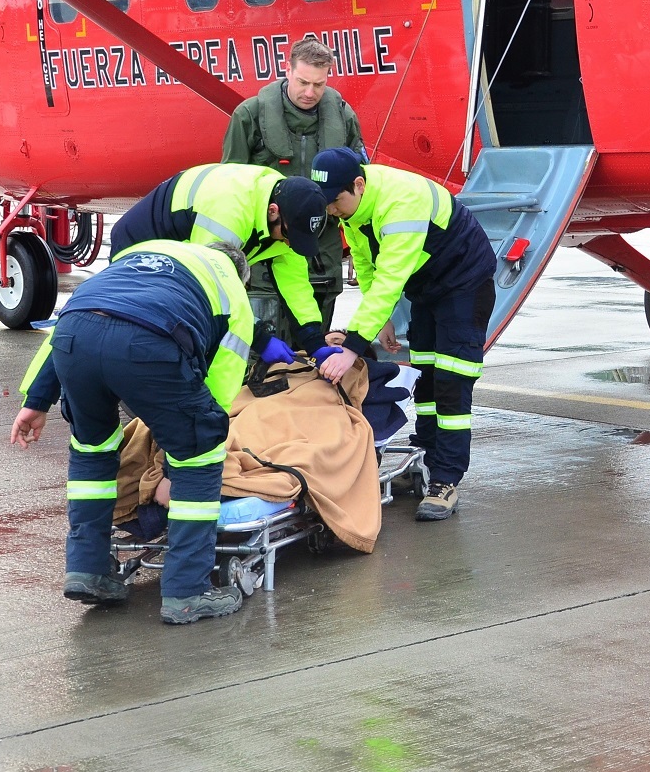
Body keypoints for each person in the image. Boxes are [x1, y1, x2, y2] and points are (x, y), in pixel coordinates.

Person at [8, 238, 262, 624]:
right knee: (202, 452)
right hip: (148, 343)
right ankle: (188, 592)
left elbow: (72, 323)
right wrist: (175, 471)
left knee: (92, 449)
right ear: (241, 276)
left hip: (75, 335)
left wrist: (36, 401)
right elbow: (217, 398)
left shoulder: (150, 251)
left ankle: (87, 569)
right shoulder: (232, 295)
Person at [310, 148, 496, 521]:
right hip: (426, 285)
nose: (332, 211)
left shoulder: (401, 202)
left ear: (358, 185)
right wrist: (384, 319)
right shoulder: (354, 207)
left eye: (335, 203)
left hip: (464, 282)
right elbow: (365, 261)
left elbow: (391, 277)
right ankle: (427, 455)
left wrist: (353, 346)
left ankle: (446, 479)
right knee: (425, 375)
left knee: (452, 379)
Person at [108, 163, 333, 360]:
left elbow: (295, 286)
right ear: (273, 212)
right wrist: (260, 339)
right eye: (286, 236)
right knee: (162, 332)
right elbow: (213, 287)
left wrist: (313, 339)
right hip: (141, 251)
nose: (288, 244)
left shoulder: (288, 214)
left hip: (189, 255)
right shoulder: (228, 216)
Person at [221, 38, 364, 330]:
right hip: (266, 251)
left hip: (321, 249)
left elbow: (358, 186)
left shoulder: (344, 117)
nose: (310, 92)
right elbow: (229, 188)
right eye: (303, 82)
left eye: (319, 85)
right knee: (262, 350)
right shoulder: (249, 116)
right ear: (287, 69)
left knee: (313, 350)